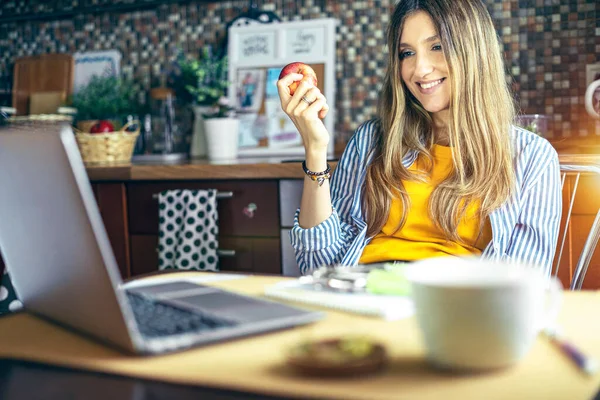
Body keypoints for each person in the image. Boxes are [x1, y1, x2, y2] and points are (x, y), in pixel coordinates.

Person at [277, 0, 562, 276]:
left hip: (452, 307)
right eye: (407, 53)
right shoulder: (372, 141)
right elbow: (316, 266)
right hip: (362, 294)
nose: (420, 69)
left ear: (474, 51)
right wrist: (315, 148)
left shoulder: (531, 157)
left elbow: (523, 283)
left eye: (437, 47)